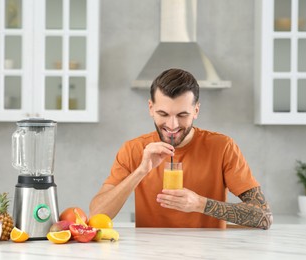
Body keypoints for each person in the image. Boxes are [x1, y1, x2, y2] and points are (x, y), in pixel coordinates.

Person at [89, 68, 273, 229]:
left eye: (182, 115)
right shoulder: (133, 149)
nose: (172, 124)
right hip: (149, 252)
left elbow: (264, 217)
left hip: (209, 252)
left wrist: (200, 204)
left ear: (196, 111)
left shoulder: (223, 147)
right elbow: (97, 214)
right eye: (163, 114)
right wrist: (141, 170)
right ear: (151, 108)